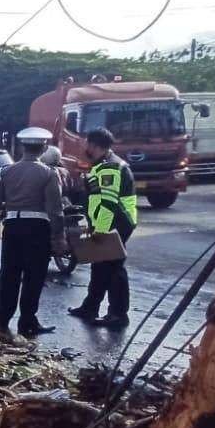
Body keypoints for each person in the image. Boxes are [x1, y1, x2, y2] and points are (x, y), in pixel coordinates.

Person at [0, 128, 67, 339]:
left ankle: (2, 321)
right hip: (38, 229)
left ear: (22, 147)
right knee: (34, 276)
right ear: (43, 148)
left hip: (12, 227)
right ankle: (27, 322)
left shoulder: (5, 171)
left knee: (9, 274)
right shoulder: (49, 173)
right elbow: (55, 210)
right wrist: (59, 237)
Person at [69, 127, 137, 329]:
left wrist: (100, 228)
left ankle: (118, 314)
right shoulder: (102, 165)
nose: (84, 147)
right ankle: (90, 307)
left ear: (94, 145)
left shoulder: (110, 167)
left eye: (86, 143)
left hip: (116, 223)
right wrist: (93, 224)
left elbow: (109, 202)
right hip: (107, 222)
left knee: (114, 269)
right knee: (100, 266)